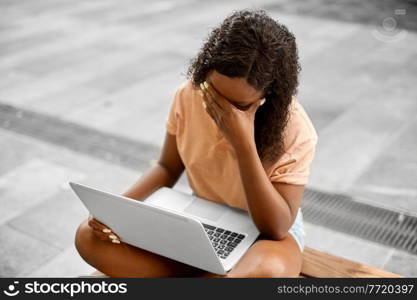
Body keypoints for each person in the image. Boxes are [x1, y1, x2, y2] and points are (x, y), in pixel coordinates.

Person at [74, 8, 318, 278]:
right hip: (203, 221)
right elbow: (167, 167)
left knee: (267, 274)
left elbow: (276, 227)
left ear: (269, 93)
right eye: (212, 93)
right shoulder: (188, 94)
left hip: (265, 237)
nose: (220, 110)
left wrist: (243, 143)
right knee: (89, 237)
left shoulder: (294, 128)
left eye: (238, 105)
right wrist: (116, 210)